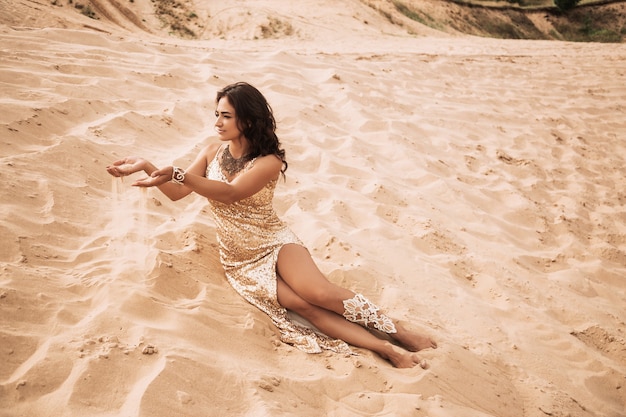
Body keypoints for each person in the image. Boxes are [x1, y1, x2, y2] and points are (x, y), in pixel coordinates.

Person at [106, 82, 437, 368]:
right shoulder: (211, 153)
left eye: (226, 116)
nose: (217, 122)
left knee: (317, 292)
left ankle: (397, 330)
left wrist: (178, 171)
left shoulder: (268, 161)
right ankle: (383, 348)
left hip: (274, 240)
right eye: (217, 114)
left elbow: (231, 193)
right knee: (300, 305)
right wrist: (147, 166)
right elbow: (178, 192)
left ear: (247, 121)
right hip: (239, 257)